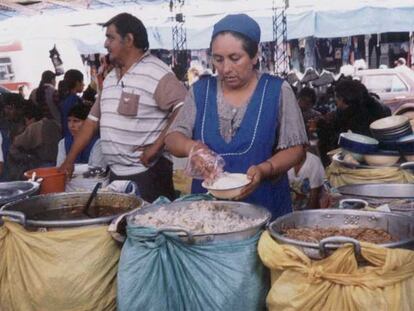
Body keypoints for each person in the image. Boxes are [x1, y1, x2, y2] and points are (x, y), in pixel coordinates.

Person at [165, 14, 307, 219]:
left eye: (235, 58)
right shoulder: (200, 92)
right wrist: (192, 148)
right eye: (218, 59)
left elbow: (296, 149)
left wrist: (265, 169)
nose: (225, 69)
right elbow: (172, 138)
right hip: (209, 213)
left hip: (264, 205)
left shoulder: (276, 90)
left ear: (255, 56)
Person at [59, 13, 187, 202]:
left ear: (129, 40)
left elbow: (184, 107)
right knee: (121, 228)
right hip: (117, 175)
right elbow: (91, 123)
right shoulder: (111, 78)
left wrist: (156, 146)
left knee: (149, 228)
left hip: (148, 174)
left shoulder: (156, 72)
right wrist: (69, 160)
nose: (105, 44)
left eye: (110, 37)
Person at [7, 103, 61, 180]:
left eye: (26, 120)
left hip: (43, 163)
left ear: (31, 119)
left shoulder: (35, 127)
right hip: (56, 160)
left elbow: (17, 142)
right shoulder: (54, 123)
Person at [56, 103, 105, 169]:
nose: (71, 125)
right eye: (69, 121)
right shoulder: (63, 143)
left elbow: (96, 169)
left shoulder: (99, 143)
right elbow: (60, 168)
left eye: (76, 121)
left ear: (87, 123)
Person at [59, 69, 85, 136]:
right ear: (77, 83)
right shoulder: (74, 101)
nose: (84, 84)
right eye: (82, 81)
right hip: (74, 136)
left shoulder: (64, 99)